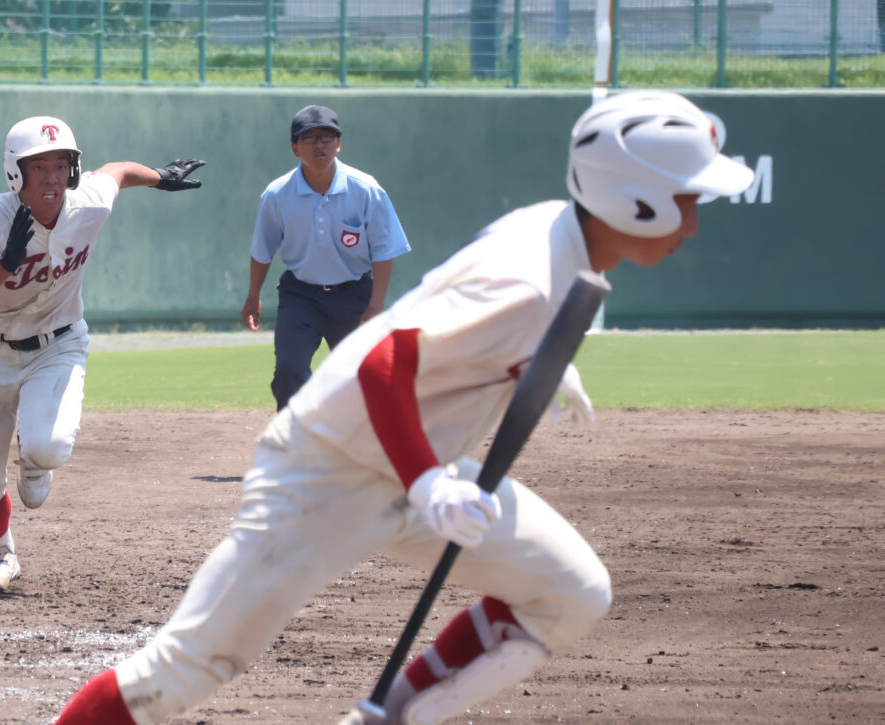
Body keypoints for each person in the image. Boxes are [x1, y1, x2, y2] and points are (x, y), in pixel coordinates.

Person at [53, 91, 753, 725]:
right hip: (326, 471)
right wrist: (425, 479)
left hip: (413, 464)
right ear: (636, 199)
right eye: (686, 200)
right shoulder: (532, 280)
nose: (692, 223)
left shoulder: (558, 239)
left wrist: (537, 364)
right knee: (185, 667)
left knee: (571, 589)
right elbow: (387, 364)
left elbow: (444, 326)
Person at [0, 115, 204, 591]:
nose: (52, 176)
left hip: (59, 343)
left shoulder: (86, 200)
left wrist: (160, 177)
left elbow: (118, 171)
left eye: (62, 164)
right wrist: (5, 262)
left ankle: (34, 456)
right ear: (16, 173)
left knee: (48, 447)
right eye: (39, 166)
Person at [240, 104, 412, 410]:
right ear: (295, 148)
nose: (320, 144)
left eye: (328, 136)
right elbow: (262, 250)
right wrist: (253, 295)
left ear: (339, 144)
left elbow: (385, 250)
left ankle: (364, 450)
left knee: (366, 377)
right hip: (301, 295)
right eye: (310, 138)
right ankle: (294, 446)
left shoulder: (366, 190)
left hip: (354, 295)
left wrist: (376, 304)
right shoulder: (277, 195)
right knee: (289, 371)